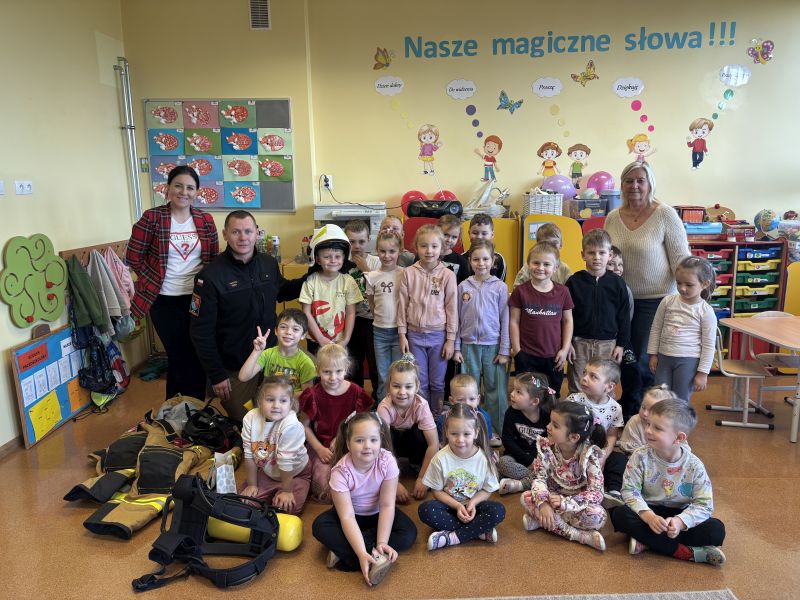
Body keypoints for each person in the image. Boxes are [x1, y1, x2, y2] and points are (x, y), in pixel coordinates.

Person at [190, 209, 304, 422]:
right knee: (248, 422)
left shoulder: (268, 263)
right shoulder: (210, 276)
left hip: (271, 358)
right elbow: (201, 332)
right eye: (236, 232)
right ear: (225, 234)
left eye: (248, 231)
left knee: (285, 416)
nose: (243, 237)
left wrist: (315, 274)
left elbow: (282, 291)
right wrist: (216, 375)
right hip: (234, 367)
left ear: (257, 233)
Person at [127, 165, 218, 400]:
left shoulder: (205, 220)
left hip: (196, 298)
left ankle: (194, 407)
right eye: (178, 186)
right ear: (167, 188)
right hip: (163, 299)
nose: (183, 192)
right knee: (178, 354)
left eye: (190, 188)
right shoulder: (152, 218)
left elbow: (212, 259)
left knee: (198, 351)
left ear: (197, 192)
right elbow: (133, 256)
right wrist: (153, 279)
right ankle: (177, 408)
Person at [604, 161, 689, 411]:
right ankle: (631, 403)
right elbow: (606, 254)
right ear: (622, 185)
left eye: (640, 180)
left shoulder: (665, 214)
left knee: (644, 358)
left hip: (655, 299)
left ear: (650, 184)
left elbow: (681, 259)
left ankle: (648, 409)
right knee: (625, 355)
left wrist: (690, 294)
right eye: (629, 181)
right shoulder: (612, 217)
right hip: (621, 299)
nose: (635, 186)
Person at [610, 399, 726, 565]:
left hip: (679, 514)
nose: (648, 431)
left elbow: (704, 505)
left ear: (679, 438)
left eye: (657, 428)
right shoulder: (640, 456)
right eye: (648, 424)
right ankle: (683, 552)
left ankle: (648, 541)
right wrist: (649, 517)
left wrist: (680, 522)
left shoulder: (695, 466)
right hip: (649, 510)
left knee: (716, 530)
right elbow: (629, 490)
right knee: (619, 514)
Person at [311, 412, 417, 587]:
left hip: (378, 513)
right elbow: (347, 517)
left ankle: (344, 553)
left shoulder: (387, 461)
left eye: (373, 440)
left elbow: (387, 505)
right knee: (320, 526)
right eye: (359, 440)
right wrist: (361, 552)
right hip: (351, 516)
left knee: (408, 533)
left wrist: (382, 542)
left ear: (380, 441)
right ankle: (372, 557)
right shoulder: (340, 472)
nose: (367, 446)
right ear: (348, 444)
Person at [520, 400, 608, 552]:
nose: (548, 427)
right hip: (551, 498)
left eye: (555, 425)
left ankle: (543, 521)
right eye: (550, 422)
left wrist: (566, 503)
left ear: (573, 437)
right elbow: (539, 478)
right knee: (526, 498)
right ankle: (579, 536)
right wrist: (543, 504)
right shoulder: (546, 448)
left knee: (598, 516)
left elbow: (596, 493)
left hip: (575, 505)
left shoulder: (589, 456)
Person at [418, 403, 506, 550]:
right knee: (425, 510)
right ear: (446, 432)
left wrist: (472, 503)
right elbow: (436, 491)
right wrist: (457, 506)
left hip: (474, 507)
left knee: (498, 511)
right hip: (449, 507)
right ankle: (477, 531)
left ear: (476, 433)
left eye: (466, 434)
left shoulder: (484, 458)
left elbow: (487, 490)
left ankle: (451, 537)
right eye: (454, 434)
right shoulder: (439, 458)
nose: (460, 440)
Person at [299, 344, 373, 502]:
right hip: (322, 446)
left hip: (349, 444)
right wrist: (319, 449)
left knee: (360, 477)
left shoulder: (356, 392)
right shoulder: (312, 394)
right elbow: (303, 425)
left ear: (346, 369)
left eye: (338, 371)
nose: (333, 378)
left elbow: (362, 425)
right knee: (322, 484)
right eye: (327, 372)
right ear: (318, 370)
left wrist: (342, 438)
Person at [398, 224, 457, 417]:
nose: (429, 251)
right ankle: (422, 416)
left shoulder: (447, 275)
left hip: (438, 336)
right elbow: (402, 305)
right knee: (420, 382)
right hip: (414, 336)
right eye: (424, 246)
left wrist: (450, 340)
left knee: (437, 382)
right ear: (416, 247)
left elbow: (452, 309)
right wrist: (402, 334)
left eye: (434, 246)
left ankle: (437, 416)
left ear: (442, 248)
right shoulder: (408, 273)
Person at [453, 240, 510, 439]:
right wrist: (457, 347)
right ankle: (469, 428)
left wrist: (504, 350)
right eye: (476, 259)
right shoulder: (463, 286)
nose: (481, 263)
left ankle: (496, 430)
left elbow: (505, 319)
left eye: (485, 259)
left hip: (493, 346)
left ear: (493, 261)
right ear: (470, 261)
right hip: (468, 346)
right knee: (468, 390)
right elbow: (456, 319)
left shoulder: (500, 287)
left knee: (496, 390)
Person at [565, 229, 630, 394]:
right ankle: (577, 412)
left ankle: (605, 412)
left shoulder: (618, 283)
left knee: (605, 386)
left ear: (610, 255)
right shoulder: (573, 282)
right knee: (578, 385)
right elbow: (565, 317)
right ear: (583, 255)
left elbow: (624, 317)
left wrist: (621, 345)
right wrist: (567, 343)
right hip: (579, 344)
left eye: (602, 252)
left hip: (608, 345)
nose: (597, 257)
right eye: (591, 253)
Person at [648, 256, 717, 403]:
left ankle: (678, 420)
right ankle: (661, 419)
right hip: (664, 358)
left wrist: (703, 373)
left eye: (689, 285)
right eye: (679, 283)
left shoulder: (706, 311)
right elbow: (656, 328)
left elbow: (709, 345)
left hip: (688, 361)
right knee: (660, 397)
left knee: (680, 401)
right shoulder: (667, 301)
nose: (682, 288)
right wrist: (653, 354)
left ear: (705, 284)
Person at [509, 242, 574, 396]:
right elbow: (514, 321)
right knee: (527, 395)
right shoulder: (520, 291)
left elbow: (568, 321)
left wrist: (565, 349)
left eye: (546, 264)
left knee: (551, 395)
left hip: (554, 356)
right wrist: (517, 351)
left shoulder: (563, 292)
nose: (540, 267)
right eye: (536, 263)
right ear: (528, 264)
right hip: (526, 355)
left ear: (556, 267)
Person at [239, 376, 311, 515]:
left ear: (291, 404)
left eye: (283, 401)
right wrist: (252, 484)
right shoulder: (250, 418)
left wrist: (287, 491)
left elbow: (286, 463)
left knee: (286, 508)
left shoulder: (291, 425)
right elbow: (248, 454)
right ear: (260, 401)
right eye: (270, 399)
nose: (276, 405)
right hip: (268, 471)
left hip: (295, 473)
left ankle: (303, 484)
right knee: (245, 503)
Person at [376, 358, 439, 503]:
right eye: (396, 386)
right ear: (388, 387)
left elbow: (433, 444)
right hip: (392, 446)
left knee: (419, 434)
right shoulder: (384, 408)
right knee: (384, 437)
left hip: (413, 443)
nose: (402, 392)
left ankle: (417, 464)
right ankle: (394, 466)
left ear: (417, 387)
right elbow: (380, 448)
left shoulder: (421, 405)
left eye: (408, 386)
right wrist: (393, 482)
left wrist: (423, 478)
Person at [605, 385, 681, 503]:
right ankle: (615, 493)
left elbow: (681, 451)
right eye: (643, 407)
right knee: (617, 460)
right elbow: (629, 450)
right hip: (635, 465)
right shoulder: (635, 421)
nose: (645, 413)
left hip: (662, 467)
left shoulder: (673, 427)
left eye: (651, 411)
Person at [300, 224, 362, 353]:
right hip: (315, 340)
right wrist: (320, 339)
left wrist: (345, 340)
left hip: (340, 341)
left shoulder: (348, 281)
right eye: (327, 257)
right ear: (317, 259)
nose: (333, 260)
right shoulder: (310, 281)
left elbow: (351, 313)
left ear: (344, 257)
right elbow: (306, 312)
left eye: (337, 256)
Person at [238, 308, 316, 397]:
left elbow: (307, 394)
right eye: (283, 327)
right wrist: (257, 351)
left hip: (292, 405)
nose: (288, 332)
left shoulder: (306, 363)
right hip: (268, 402)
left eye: (295, 329)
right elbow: (243, 377)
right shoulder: (268, 354)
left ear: (303, 335)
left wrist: (280, 396)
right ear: (276, 331)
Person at [498, 372, 554, 495]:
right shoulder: (510, 413)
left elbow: (549, 443)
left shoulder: (547, 416)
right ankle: (535, 480)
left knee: (552, 468)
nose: (512, 394)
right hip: (516, 456)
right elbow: (507, 440)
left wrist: (535, 460)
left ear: (534, 401)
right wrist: (528, 461)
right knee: (502, 463)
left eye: (518, 392)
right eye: (514, 389)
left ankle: (520, 484)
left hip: (538, 458)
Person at [364, 232, 405, 400]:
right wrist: (380, 319)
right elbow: (372, 303)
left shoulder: (404, 273)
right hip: (380, 332)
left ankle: (398, 406)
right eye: (382, 251)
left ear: (399, 251)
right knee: (383, 373)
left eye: (392, 251)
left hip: (399, 332)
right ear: (376, 251)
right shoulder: (371, 276)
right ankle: (383, 406)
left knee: (398, 373)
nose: (387, 256)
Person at [344, 220, 381, 396]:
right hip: (350, 320)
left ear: (368, 240)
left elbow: (381, 289)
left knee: (375, 363)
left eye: (361, 241)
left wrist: (365, 270)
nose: (357, 246)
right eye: (352, 242)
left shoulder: (376, 262)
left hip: (372, 319)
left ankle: (378, 398)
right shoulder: (342, 262)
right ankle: (356, 397)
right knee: (354, 363)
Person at [608, 245, 639, 419]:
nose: (617, 268)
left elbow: (628, 318)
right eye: (612, 264)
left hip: (623, 340)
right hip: (604, 340)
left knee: (631, 371)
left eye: (620, 265)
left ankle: (629, 408)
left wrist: (622, 341)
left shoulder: (625, 289)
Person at [436, 373, 497, 447]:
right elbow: (442, 444)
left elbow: (487, 442)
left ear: (478, 400)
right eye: (460, 400)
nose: (467, 404)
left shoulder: (484, 418)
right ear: (451, 401)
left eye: (472, 399)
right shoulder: (443, 420)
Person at [513, 222, 573, 289]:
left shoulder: (564, 269)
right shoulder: (528, 268)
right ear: (538, 245)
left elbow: (570, 291)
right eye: (545, 243)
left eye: (554, 243)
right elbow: (517, 289)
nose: (550, 248)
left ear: (561, 245)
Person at [461, 213, 506, 281]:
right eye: (475, 233)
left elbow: (500, 284)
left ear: (492, 235)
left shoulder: (499, 260)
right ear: (469, 233)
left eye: (484, 233)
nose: (479, 237)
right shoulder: (462, 258)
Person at [437, 214, 469, 284]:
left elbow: (464, 286)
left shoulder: (461, 261)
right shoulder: (425, 254)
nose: (449, 240)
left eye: (454, 237)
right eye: (445, 235)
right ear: (436, 232)